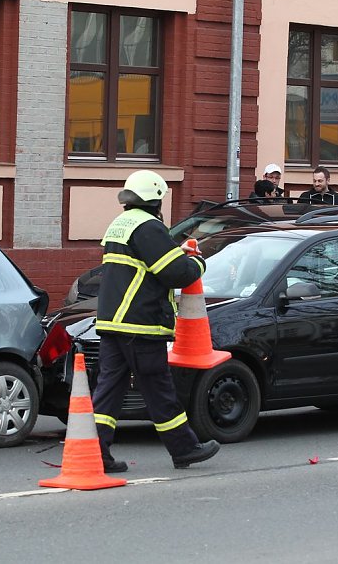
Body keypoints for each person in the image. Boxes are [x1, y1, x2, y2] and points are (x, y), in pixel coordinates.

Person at [93, 169, 221, 471]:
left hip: (113, 322)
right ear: (155, 200)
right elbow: (175, 273)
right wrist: (197, 262)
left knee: (108, 391)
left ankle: (95, 453)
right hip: (140, 323)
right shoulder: (148, 226)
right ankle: (185, 449)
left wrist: (176, 253)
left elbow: (145, 264)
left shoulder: (121, 224)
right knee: (159, 389)